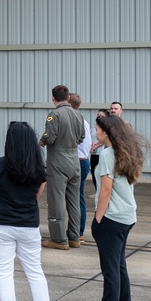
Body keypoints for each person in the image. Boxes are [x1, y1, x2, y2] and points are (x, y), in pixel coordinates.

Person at [0, 122, 52, 301]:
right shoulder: (39, 168)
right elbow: (36, 196)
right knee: (35, 270)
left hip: (1, 223)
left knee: (4, 270)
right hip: (29, 224)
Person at [80, 115, 144, 301]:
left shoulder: (107, 155)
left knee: (110, 268)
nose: (95, 132)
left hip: (112, 217)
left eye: (97, 129)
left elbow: (105, 190)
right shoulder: (125, 151)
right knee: (119, 265)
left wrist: (98, 217)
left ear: (106, 133)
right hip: (127, 215)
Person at [39, 85, 85, 250]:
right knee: (74, 201)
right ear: (67, 97)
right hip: (74, 160)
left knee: (56, 199)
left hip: (58, 161)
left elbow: (50, 137)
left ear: (53, 98)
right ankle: (74, 237)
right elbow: (82, 137)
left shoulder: (55, 115)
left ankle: (59, 239)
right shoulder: (78, 115)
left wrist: (42, 141)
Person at [68, 93, 92, 242]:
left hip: (76, 161)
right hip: (84, 161)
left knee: (74, 198)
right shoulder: (84, 121)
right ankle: (78, 231)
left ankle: (76, 231)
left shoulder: (72, 120)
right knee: (78, 197)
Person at [89, 109, 110, 191]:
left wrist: (96, 145)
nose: (99, 116)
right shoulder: (93, 128)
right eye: (98, 115)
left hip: (101, 153)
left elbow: (105, 138)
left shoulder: (107, 128)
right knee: (94, 174)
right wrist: (91, 145)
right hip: (94, 154)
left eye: (101, 115)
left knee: (102, 174)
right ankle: (97, 190)